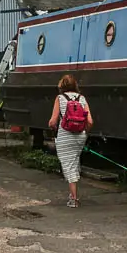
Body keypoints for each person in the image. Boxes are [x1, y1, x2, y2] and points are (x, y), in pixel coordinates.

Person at [48, 74, 93, 208]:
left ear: (61, 86)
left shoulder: (60, 98)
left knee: (68, 165)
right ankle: (72, 195)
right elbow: (90, 121)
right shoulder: (82, 99)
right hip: (80, 136)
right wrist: (84, 131)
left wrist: (52, 127)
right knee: (74, 161)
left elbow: (52, 121)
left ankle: (74, 199)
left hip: (65, 136)